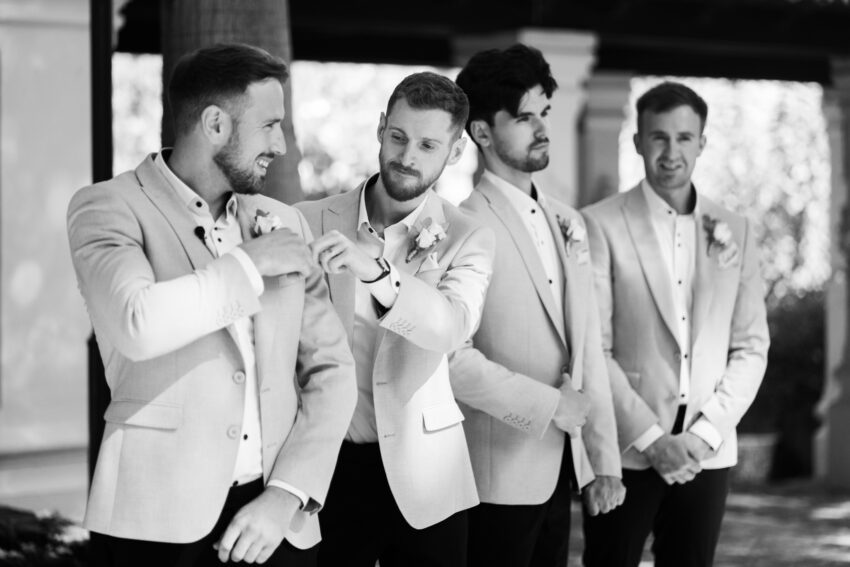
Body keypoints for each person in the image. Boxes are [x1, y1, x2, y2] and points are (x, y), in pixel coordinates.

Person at [67, 43, 357, 567]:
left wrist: (287, 494)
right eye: (269, 126)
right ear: (216, 124)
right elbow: (138, 323)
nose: (281, 146)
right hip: (154, 525)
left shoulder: (280, 220)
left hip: (276, 526)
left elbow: (333, 371)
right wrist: (250, 266)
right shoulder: (107, 207)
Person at [295, 71, 495, 567]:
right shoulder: (306, 219)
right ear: (382, 127)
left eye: (428, 145)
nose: (407, 157)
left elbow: (452, 327)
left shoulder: (470, 236)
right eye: (399, 137)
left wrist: (377, 273)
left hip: (429, 477)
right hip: (328, 469)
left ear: (453, 153)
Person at [580, 81, 770, 567]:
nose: (671, 151)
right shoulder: (598, 224)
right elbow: (593, 348)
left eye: (684, 138)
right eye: (658, 137)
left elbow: (750, 346)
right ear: (638, 141)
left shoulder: (736, 230)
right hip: (627, 448)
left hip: (706, 450)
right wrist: (652, 439)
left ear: (702, 143)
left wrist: (704, 435)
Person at [450, 44, 624, 567]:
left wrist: (603, 460)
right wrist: (548, 407)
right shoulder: (460, 226)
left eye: (543, 113)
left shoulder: (570, 221)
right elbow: (451, 360)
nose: (541, 128)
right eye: (523, 117)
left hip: (563, 473)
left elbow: (587, 344)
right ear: (482, 132)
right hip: (493, 477)